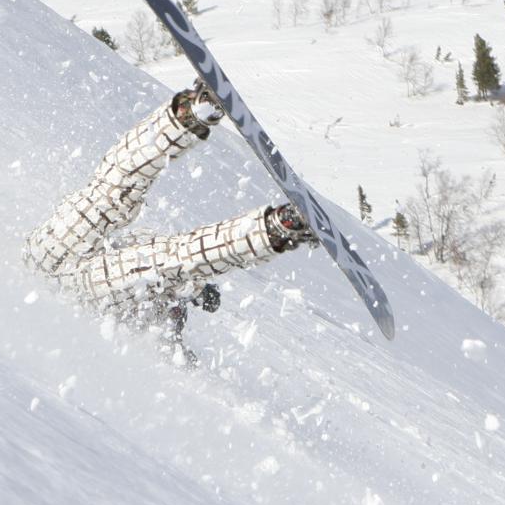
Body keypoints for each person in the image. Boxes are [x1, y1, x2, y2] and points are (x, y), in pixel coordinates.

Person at [24, 81, 316, 343]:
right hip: (77, 290)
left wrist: (194, 290)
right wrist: (193, 290)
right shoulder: (152, 326)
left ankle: (190, 114)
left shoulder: (153, 319)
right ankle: (276, 227)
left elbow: (155, 254)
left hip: (50, 267)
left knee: (113, 192)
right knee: (127, 210)